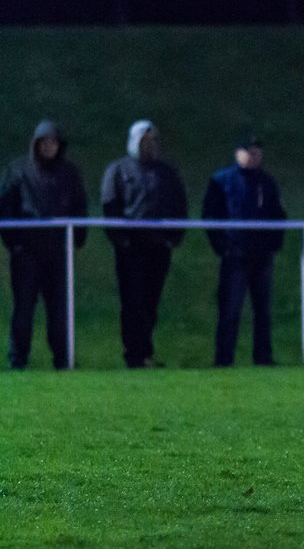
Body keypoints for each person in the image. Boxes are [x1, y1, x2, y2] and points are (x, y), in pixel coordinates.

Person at [0, 120, 88, 370]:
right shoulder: (18, 171)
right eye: (45, 142)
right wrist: (13, 243)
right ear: (36, 144)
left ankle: (63, 360)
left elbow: (79, 206)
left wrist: (78, 238)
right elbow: (6, 207)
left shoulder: (69, 173)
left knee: (60, 312)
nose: (49, 147)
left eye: (53, 142)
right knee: (24, 310)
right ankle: (18, 360)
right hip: (26, 254)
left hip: (59, 253)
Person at [101, 120, 189, 368]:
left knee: (151, 302)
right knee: (132, 302)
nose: (148, 146)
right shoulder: (118, 170)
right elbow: (109, 205)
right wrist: (121, 240)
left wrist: (174, 238)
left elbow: (180, 204)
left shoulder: (167, 172)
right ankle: (133, 354)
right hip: (130, 249)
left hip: (158, 248)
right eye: (144, 141)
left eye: (152, 141)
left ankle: (145, 352)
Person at [202, 133, 287, 367]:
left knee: (263, 311)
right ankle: (224, 358)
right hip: (235, 256)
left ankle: (263, 357)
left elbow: (279, 215)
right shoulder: (222, 181)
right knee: (230, 310)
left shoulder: (267, 182)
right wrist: (222, 246)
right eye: (249, 151)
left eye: (257, 151)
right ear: (237, 153)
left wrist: (273, 244)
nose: (253, 155)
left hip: (262, 256)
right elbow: (210, 215)